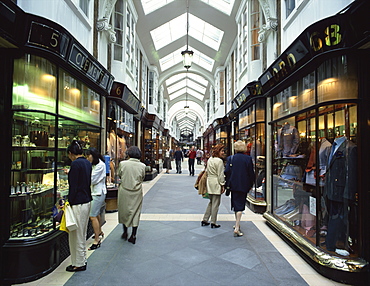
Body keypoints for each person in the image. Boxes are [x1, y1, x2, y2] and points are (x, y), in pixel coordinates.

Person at [65, 140, 92, 272]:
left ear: (71, 153)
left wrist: (68, 201)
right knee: (82, 232)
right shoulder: (87, 162)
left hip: (78, 202)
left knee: (77, 234)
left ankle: (79, 263)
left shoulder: (75, 164)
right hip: (86, 201)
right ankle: (81, 260)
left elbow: (73, 187)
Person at [225, 140, 255, 237]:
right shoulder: (248, 159)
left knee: (235, 203)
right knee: (240, 205)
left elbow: (227, 171)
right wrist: (251, 184)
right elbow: (251, 173)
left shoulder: (231, 158)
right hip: (243, 184)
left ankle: (236, 224)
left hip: (233, 185)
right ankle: (237, 226)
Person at [117, 146, 146, 244]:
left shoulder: (123, 164)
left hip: (124, 190)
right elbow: (142, 177)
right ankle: (133, 234)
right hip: (136, 191)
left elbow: (119, 174)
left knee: (124, 210)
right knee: (135, 212)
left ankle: (125, 232)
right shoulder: (142, 166)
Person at [86, 147, 107, 250]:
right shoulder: (94, 165)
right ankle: (99, 231)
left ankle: (97, 240)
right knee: (96, 213)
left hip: (98, 193)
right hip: (95, 192)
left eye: (88, 155)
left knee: (92, 216)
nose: (87, 157)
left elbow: (92, 180)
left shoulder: (100, 165)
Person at [201, 144, 226, 228]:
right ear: (218, 151)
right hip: (216, 183)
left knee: (211, 202)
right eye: (222, 151)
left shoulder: (210, 159)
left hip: (210, 181)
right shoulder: (219, 161)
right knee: (216, 203)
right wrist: (222, 184)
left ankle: (205, 219)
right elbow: (220, 175)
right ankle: (213, 222)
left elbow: (207, 171)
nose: (223, 153)